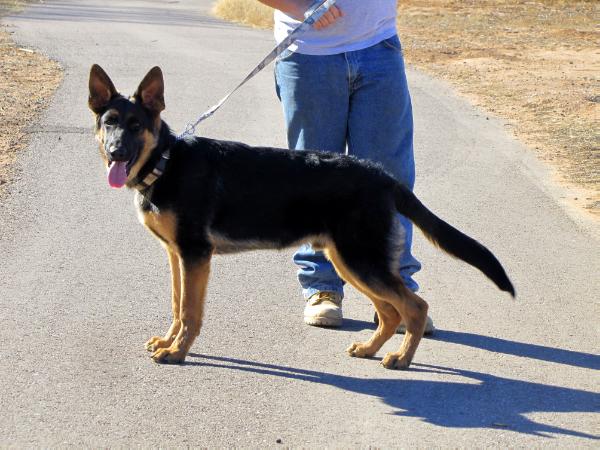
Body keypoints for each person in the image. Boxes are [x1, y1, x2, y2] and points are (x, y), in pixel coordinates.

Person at [258, 0, 433, 333]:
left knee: (389, 179)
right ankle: (321, 287)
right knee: (314, 181)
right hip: (308, 56)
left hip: (378, 47)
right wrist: (298, 7)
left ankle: (398, 291)